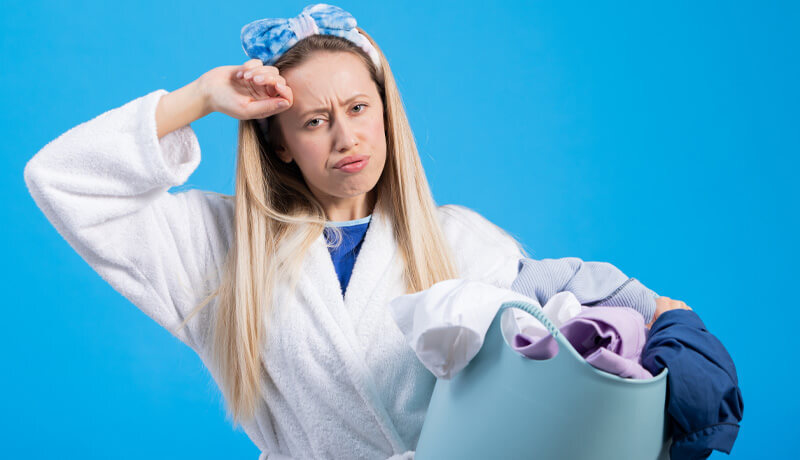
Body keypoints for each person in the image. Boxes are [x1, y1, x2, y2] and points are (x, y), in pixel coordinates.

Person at [22, 4, 698, 459]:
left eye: (357, 108)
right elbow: (62, 179)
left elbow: (559, 368)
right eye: (315, 120)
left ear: (384, 112)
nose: (346, 137)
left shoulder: (464, 242)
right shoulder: (223, 251)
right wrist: (199, 97)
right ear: (280, 142)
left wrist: (670, 328)